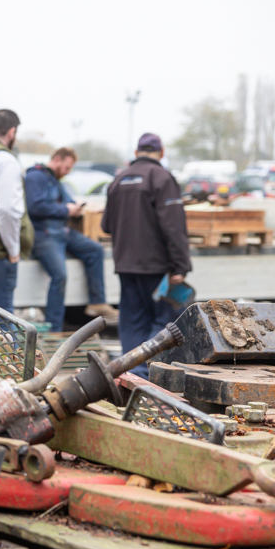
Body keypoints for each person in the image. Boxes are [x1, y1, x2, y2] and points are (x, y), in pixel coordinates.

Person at [102, 133, 191, 378]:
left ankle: (129, 375)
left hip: (125, 265)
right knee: (163, 320)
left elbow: (106, 225)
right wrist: (181, 265)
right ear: (161, 152)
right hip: (156, 267)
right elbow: (173, 227)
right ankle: (145, 374)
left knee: (131, 321)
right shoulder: (162, 178)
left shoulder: (118, 180)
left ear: (136, 152)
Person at [26, 147, 118, 332]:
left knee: (95, 250)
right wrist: (65, 210)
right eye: (67, 167)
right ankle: (54, 329)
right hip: (44, 235)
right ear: (58, 160)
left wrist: (76, 206)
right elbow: (34, 207)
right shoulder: (35, 177)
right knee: (60, 275)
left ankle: (97, 302)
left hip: (62, 232)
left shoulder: (56, 180)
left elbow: (67, 201)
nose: (67, 172)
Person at [0, 109, 33, 315]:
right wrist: (13, 251)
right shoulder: (4, 159)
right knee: (1, 329)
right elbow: (7, 210)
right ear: (11, 132)